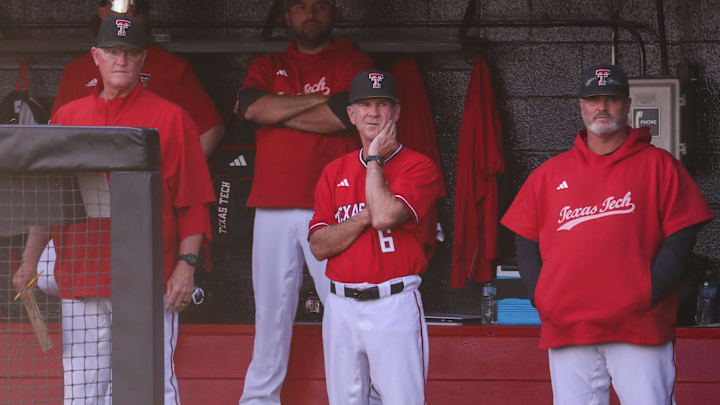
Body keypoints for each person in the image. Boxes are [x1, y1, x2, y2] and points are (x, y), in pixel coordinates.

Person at [12, 15, 215, 405]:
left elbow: (193, 200)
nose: (121, 60)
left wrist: (186, 266)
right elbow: (48, 202)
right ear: (96, 57)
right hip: (83, 275)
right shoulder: (68, 117)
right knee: (82, 390)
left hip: (147, 278)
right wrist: (29, 261)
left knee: (153, 387)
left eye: (130, 52)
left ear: (143, 60)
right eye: (112, 52)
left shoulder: (171, 117)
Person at [501, 63, 714, 405]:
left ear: (627, 106)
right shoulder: (549, 173)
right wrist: (542, 296)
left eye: (612, 99)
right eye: (594, 98)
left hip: (639, 328)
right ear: (581, 106)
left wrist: (648, 292)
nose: (602, 107)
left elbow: (682, 236)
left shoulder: (659, 166)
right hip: (569, 327)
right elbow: (524, 239)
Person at [235, 0, 373, 403]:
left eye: (319, 5)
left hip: (334, 207)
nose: (310, 13)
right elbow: (250, 105)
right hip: (272, 203)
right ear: (286, 15)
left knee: (345, 310)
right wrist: (321, 102)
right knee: (269, 314)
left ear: (335, 11)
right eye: (300, 5)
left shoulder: (354, 59)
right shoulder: (268, 62)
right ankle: (259, 400)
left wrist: (276, 110)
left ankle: (355, 396)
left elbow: (343, 117)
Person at [308, 70, 441, 405]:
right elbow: (319, 245)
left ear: (396, 113)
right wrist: (365, 215)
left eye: (383, 104)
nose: (374, 112)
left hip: (393, 303)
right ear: (351, 115)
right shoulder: (333, 171)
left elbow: (385, 217)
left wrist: (375, 161)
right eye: (364, 104)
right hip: (340, 306)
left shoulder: (418, 166)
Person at [52, 0, 223, 157]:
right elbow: (54, 141)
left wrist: (173, 176)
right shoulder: (76, 72)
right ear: (102, 10)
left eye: (138, 8)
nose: (131, 14)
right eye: (122, 5)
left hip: (148, 181)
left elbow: (211, 129)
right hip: (90, 183)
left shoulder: (172, 68)